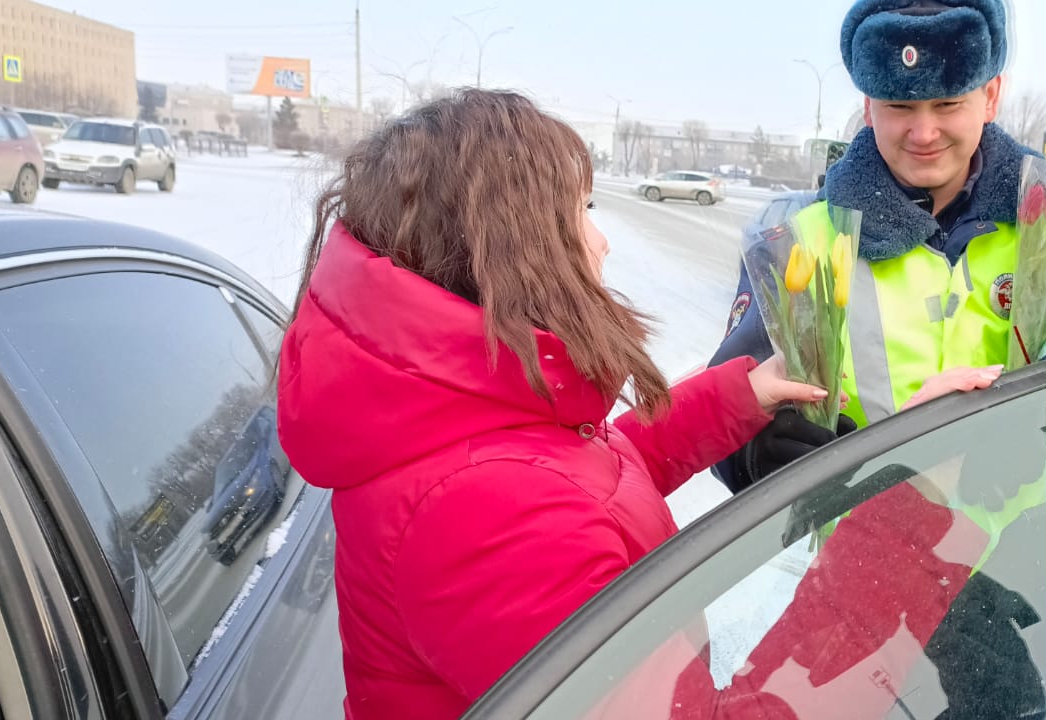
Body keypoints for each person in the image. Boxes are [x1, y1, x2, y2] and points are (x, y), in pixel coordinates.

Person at [274, 90, 837, 720]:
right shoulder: (484, 518)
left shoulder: (458, 407)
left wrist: (741, 393)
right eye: (578, 212)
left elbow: (595, 474)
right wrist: (884, 567)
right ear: (512, 247)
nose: (601, 243)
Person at [711, 0, 1038, 492]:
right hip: (865, 555)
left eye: (948, 104)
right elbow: (718, 417)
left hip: (1030, 560)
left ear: (991, 97)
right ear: (868, 108)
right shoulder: (804, 241)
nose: (924, 133)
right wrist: (756, 449)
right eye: (899, 107)